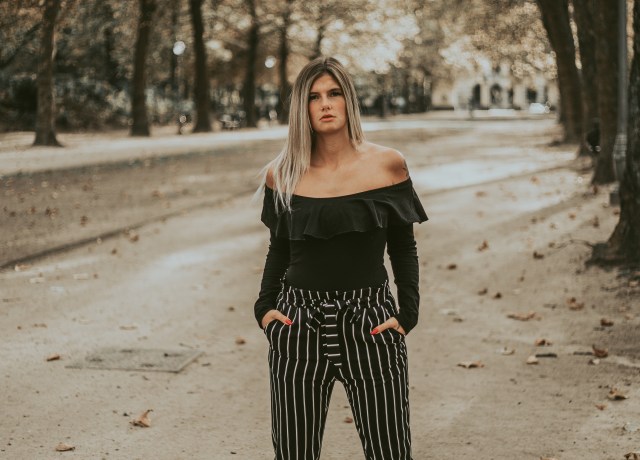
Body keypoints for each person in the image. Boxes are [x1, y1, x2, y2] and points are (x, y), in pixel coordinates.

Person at [253, 56, 428, 460]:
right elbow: (278, 248)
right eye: (314, 97)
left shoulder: (388, 164)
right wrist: (265, 309)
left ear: (349, 100)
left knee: (390, 451)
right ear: (303, 107)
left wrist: (408, 313)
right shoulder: (281, 173)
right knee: (294, 453)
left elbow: (403, 247)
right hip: (298, 324)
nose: (325, 104)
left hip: (371, 322)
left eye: (334, 93)